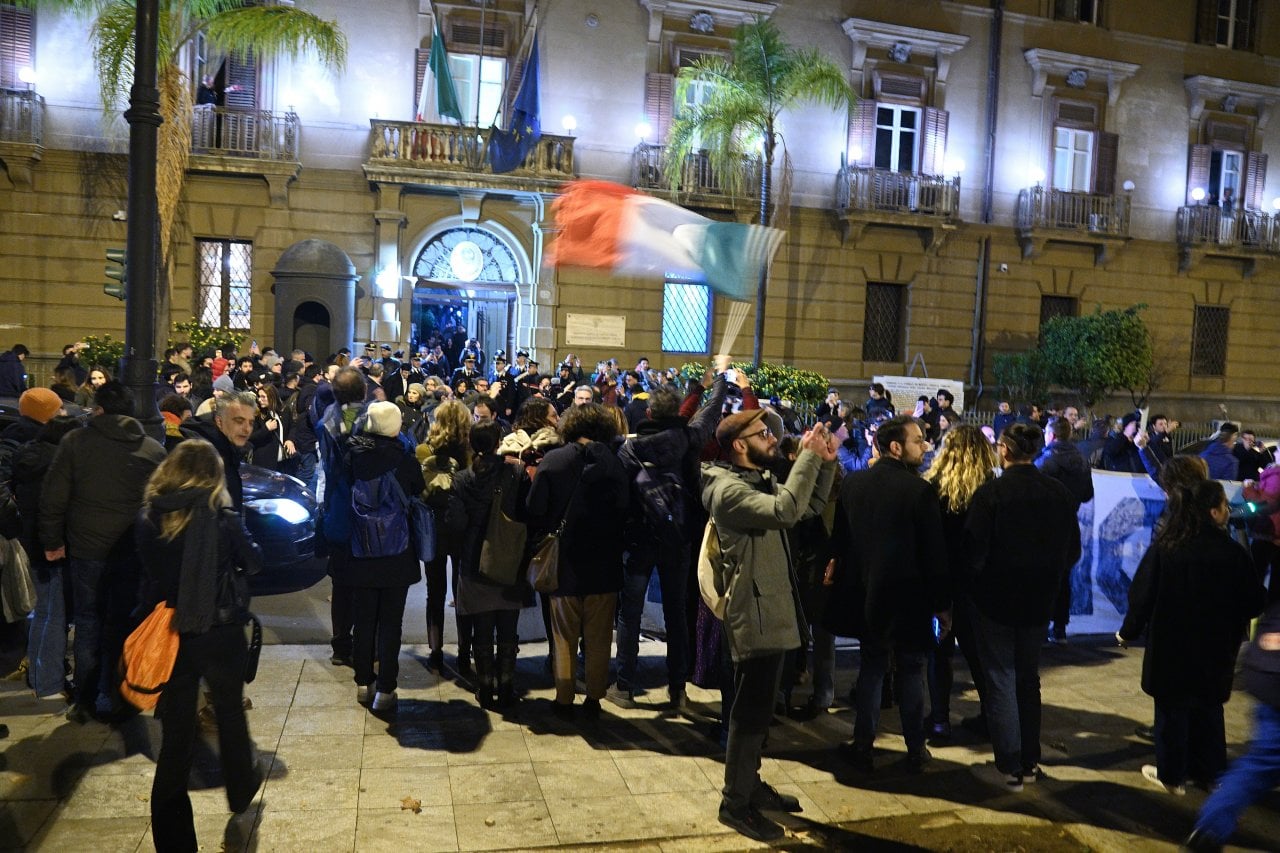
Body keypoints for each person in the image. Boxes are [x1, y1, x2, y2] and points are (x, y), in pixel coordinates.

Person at [702, 410, 837, 841]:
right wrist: (810, 459)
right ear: (739, 445)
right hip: (754, 615)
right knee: (748, 715)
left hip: (773, 610)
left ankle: (750, 786)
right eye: (763, 435)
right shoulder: (728, 491)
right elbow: (786, 509)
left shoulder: (757, 482)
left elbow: (808, 508)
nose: (772, 440)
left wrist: (827, 462)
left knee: (759, 713)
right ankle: (734, 803)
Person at [136, 440, 264, 851]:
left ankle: (173, 839)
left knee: (176, 734)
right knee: (228, 711)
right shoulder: (221, 516)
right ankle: (241, 790)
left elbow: (150, 576)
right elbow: (254, 560)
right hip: (220, 628)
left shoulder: (149, 517)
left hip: (173, 630)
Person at [1118, 479, 1265, 796]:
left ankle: (1172, 775)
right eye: (1225, 506)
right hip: (1217, 647)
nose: (1228, 511)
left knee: (1172, 712)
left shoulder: (1168, 547)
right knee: (1210, 709)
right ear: (1214, 512)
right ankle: (1210, 773)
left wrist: (1126, 632)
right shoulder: (1233, 552)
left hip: (1172, 646)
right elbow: (1254, 602)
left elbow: (1142, 595)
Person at [826, 415, 947, 773]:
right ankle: (915, 748)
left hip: (868, 596)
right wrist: (942, 605)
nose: (925, 446)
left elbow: (841, 543)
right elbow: (934, 555)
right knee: (911, 673)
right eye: (918, 440)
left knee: (872, 670)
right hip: (909, 599)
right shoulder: (920, 491)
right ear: (896, 447)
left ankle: (863, 744)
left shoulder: (855, 484)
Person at [40, 381, 167, 722]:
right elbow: (162, 504)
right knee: (126, 620)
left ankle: (85, 698)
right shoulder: (152, 449)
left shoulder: (75, 443)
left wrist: (52, 542)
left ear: (98, 409)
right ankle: (120, 693)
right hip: (132, 551)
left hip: (86, 549)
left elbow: (53, 498)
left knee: (87, 622)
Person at [964, 423, 1081, 792]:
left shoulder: (991, 494)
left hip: (995, 600)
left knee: (1000, 678)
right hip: (1038, 600)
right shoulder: (1058, 493)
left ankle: (1012, 762)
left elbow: (972, 551)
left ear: (1004, 450)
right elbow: (1072, 551)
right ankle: (1029, 759)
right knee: (1027, 678)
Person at [609, 363, 728, 710]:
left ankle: (625, 686)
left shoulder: (630, 448)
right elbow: (710, 413)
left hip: (639, 537)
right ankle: (678, 688)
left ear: (647, 412)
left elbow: (621, 493)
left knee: (629, 613)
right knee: (676, 612)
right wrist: (717, 382)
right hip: (678, 535)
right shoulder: (688, 439)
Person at [526, 403, 629, 720]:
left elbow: (535, 509)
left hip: (565, 565)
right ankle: (594, 700)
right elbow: (625, 509)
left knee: (564, 637)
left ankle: (564, 698)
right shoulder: (614, 464)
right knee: (598, 639)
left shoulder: (554, 461)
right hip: (604, 564)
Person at [329, 402, 425, 711]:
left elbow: (337, 496)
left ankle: (362, 683)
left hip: (359, 551)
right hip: (397, 553)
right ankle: (386, 689)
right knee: (391, 623)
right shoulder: (406, 460)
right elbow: (418, 492)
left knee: (364, 618)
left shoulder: (350, 456)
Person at [1183, 599, 1280, 850]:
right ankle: (1209, 832)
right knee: (1263, 761)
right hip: (1272, 675)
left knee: (1261, 761)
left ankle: (1209, 830)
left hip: (1266, 672)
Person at [922, 425, 997, 742]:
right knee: (979, 657)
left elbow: (930, 543)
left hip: (941, 584)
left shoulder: (933, 487)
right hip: (977, 587)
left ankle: (939, 721)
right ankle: (992, 718)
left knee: (939, 654)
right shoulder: (991, 488)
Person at [452, 420, 529, 708]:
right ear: (499, 442)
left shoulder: (462, 478)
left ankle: (485, 687)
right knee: (508, 626)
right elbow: (527, 512)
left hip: (474, 559)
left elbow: (456, 522)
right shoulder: (516, 472)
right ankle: (507, 686)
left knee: (482, 627)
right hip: (510, 558)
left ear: (472, 444)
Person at [11, 415, 82, 701]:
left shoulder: (27, 458)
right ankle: (48, 681)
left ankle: (39, 674)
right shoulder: (57, 465)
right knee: (52, 614)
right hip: (50, 547)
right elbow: (54, 509)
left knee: (42, 613)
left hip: (28, 543)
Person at [315, 367, 372, 667]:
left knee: (341, 584)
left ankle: (340, 645)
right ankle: (362, 643)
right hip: (364, 511)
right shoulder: (366, 418)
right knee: (363, 584)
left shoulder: (327, 419)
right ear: (362, 391)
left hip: (337, 511)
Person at [417, 398, 472, 674]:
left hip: (433, 527)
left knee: (434, 591)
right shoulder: (472, 453)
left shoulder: (425, 450)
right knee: (463, 591)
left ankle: (436, 651)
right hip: (463, 528)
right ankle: (465, 652)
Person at [1036, 416, 1094, 644]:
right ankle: (1059, 627)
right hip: (1070, 525)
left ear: (1051, 435)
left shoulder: (1046, 460)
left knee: (1042, 578)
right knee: (1063, 578)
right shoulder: (1081, 460)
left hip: (1046, 525)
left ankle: (1039, 627)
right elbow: (1088, 495)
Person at [248, 384, 290, 470]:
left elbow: (292, 427)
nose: (260, 400)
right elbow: (251, 437)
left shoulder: (285, 410)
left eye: (263, 397)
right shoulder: (257, 415)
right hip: (264, 462)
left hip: (283, 460)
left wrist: (290, 440)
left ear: (272, 397)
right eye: (259, 397)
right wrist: (266, 429)